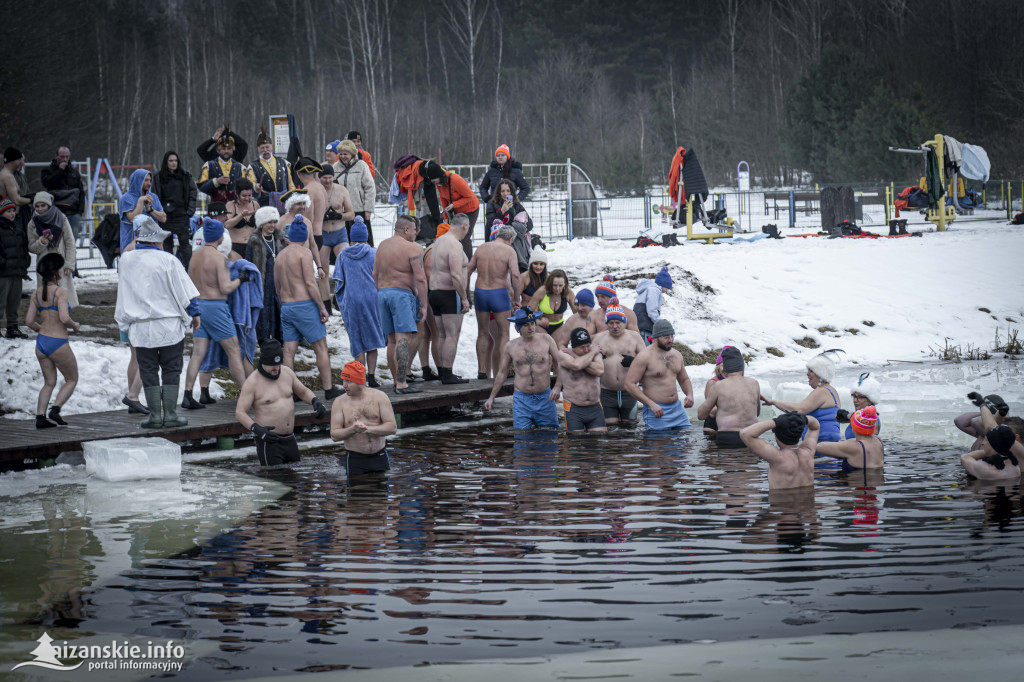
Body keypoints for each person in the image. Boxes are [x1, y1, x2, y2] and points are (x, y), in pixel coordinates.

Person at [114, 215, 201, 428]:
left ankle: (154, 416)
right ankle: (170, 414)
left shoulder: (126, 260)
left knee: (148, 369)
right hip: (168, 322)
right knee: (171, 368)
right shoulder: (169, 260)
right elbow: (185, 290)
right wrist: (195, 313)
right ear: (156, 241)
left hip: (140, 325)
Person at [181, 219, 250, 408]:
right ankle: (246, 394)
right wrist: (241, 280)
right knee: (234, 350)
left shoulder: (194, 256)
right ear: (220, 237)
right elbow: (226, 287)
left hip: (198, 306)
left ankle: (187, 394)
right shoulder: (220, 258)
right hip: (215, 307)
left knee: (198, 353)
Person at [275, 216, 341, 399]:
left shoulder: (280, 256)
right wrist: (322, 307)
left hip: (287, 306)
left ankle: (290, 390)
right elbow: (311, 284)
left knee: (289, 350)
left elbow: (277, 286)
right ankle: (328, 389)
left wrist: (284, 304)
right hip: (304, 305)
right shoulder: (304, 253)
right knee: (320, 346)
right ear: (304, 236)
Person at [235, 339, 327, 467]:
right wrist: (256, 429)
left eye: (279, 365)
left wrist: (315, 400)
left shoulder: (287, 373)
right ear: (264, 362)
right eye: (273, 365)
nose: (277, 369)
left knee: (294, 480)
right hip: (269, 441)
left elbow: (303, 391)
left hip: (290, 439)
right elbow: (240, 412)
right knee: (275, 482)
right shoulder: (252, 382)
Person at [373, 215, 428, 394]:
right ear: (405, 230)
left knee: (391, 340)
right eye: (413, 230)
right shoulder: (412, 248)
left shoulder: (382, 246)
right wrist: (424, 305)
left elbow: (374, 274)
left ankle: (397, 380)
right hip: (401, 295)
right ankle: (402, 383)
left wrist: (381, 291)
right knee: (403, 338)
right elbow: (420, 278)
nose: (415, 234)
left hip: (383, 293)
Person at [483, 307, 560, 429]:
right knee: (521, 439)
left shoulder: (546, 340)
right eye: (525, 325)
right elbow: (502, 373)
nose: (531, 328)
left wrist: (557, 386)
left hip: (545, 397)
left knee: (549, 436)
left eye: (532, 323)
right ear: (517, 328)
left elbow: (559, 363)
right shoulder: (510, 346)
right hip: (522, 400)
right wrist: (491, 397)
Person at [26, 254, 80, 428]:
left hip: (41, 343)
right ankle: (55, 409)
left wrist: (41, 330)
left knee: (49, 382)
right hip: (58, 343)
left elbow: (28, 322)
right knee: (72, 378)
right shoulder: (60, 292)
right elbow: (64, 318)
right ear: (57, 273)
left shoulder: (36, 293)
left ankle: (40, 417)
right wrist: (75, 325)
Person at [334, 217, 385, 388]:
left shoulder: (343, 254)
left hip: (352, 299)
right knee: (371, 339)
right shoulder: (374, 253)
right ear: (366, 236)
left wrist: (341, 300)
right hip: (371, 298)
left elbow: (339, 280)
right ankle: (372, 377)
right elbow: (381, 275)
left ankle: (360, 378)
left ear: (351, 237)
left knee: (357, 340)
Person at [467, 223, 520, 380]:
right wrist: (516, 298)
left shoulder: (482, 248)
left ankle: (482, 370)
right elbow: (516, 275)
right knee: (503, 333)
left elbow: (468, 270)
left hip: (481, 292)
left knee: (482, 332)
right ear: (510, 239)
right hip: (499, 293)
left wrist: (465, 294)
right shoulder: (509, 251)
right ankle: (503, 370)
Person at [330, 360, 398, 475]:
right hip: (355, 459)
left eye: (348, 381)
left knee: (382, 492)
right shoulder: (339, 403)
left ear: (359, 382)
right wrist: (353, 430)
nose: (344, 385)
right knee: (357, 492)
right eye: (343, 380)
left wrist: (368, 429)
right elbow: (334, 435)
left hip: (380, 456)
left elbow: (392, 427)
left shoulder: (380, 397)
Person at [624, 319, 694, 431]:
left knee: (686, 441)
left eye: (672, 336)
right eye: (666, 337)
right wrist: (651, 404)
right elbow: (629, 384)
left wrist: (689, 394)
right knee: (659, 445)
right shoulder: (644, 356)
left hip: (677, 408)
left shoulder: (676, 355)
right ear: (656, 338)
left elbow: (684, 379)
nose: (670, 340)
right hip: (656, 410)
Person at [427, 213, 472, 384]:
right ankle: (447, 373)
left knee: (442, 335)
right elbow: (455, 274)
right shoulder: (454, 245)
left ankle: (444, 371)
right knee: (452, 335)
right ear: (464, 226)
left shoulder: (439, 242)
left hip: (435, 293)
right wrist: (464, 297)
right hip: (449, 294)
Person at [761, 353, 842, 445]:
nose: (807, 374)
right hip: (831, 441)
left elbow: (799, 410)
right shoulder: (832, 391)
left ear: (820, 374)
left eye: (811, 371)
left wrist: (774, 402)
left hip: (820, 442)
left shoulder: (821, 391)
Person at [592, 303, 645, 426]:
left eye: (618, 322)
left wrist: (634, 361)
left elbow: (647, 360)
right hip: (606, 392)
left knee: (629, 427)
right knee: (610, 428)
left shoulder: (635, 337)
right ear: (606, 323)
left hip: (629, 392)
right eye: (611, 323)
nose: (614, 326)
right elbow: (589, 361)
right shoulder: (599, 338)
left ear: (624, 322)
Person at [696, 346, 760, 447]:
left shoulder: (718, 386)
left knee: (725, 461)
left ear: (726, 368)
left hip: (728, 437)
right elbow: (758, 412)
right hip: (751, 436)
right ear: (742, 367)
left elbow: (701, 415)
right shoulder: (754, 383)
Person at [740, 414, 822, 490]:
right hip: (807, 504)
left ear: (777, 436)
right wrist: (801, 418)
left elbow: (745, 433)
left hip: (781, 504)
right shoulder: (808, 451)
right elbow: (815, 426)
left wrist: (775, 422)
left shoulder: (777, 457)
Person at [27, 191, 78, 308]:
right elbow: (31, 247)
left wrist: (70, 265)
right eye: (37, 206)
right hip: (45, 266)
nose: (40, 209)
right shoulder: (32, 223)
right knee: (48, 302)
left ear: (49, 205)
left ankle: (63, 322)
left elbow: (70, 242)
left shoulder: (61, 218)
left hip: (61, 263)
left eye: (43, 205)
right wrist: (41, 242)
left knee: (63, 299)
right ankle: (50, 322)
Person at [551, 327, 606, 433]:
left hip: (595, 407)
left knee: (599, 443)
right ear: (573, 347)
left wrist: (576, 356)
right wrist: (591, 353)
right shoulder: (563, 354)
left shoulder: (595, 351)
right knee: (575, 444)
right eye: (582, 348)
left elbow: (599, 371)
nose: (586, 350)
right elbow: (576, 366)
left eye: (588, 346)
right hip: (574, 408)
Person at [246, 206, 285, 345]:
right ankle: (263, 342)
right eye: (269, 222)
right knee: (263, 313)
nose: (272, 225)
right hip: (262, 284)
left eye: (274, 222)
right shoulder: (254, 241)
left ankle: (278, 341)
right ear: (262, 223)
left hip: (278, 282)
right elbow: (249, 264)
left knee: (278, 311)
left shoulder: (279, 239)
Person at [151, 150, 198, 269]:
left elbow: (193, 192)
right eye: (171, 161)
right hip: (165, 215)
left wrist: (190, 211)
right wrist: (158, 212)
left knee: (184, 244)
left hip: (182, 214)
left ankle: (190, 271)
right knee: (167, 244)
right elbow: (155, 196)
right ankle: (169, 270)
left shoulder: (185, 175)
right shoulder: (158, 177)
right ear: (166, 162)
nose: (174, 163)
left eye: (176, 160)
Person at [334, 139, 376, 246]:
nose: (343, 156)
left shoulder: (361, 166)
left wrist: (368, 209)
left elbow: (370, 188)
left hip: (358, 210)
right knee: (344, 243)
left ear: (352, 154)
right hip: (341, 212)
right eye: (341, 154)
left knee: (362, 242)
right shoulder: (335, 167)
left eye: (346, 154)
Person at [40, 146, 86, 244]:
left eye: (67, 157)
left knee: (72, 242)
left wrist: (80, 211)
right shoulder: (47, 170)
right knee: (57, 241)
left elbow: (81, 192)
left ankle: (71, 259)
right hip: (56, 212)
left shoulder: (74, 173)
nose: (65, 159)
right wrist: (60, 171)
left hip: (73, 213)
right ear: (56, 156)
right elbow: (46, 183)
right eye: (62, 157)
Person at [433, 166, 479, 259]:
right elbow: (443, 199)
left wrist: (454, 204)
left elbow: (469, 196)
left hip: (470, 210)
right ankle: (458, 259)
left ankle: (468, 263)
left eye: (433, 179)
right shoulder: (439, 183)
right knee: (455, 236)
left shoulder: (456, 180)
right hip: (457, 211)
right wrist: (445, 216)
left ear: (439, 176)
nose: (433, 182)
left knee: (464, 236)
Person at [816, 406, 884, 469]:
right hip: (874, 479)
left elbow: (819, 447)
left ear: (854, 427)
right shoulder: (878, 441)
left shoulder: (853, 446)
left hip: (855, 481)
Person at [0, 199, 30, 338]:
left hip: (17, 272)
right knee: (1, 302)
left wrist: (25, 261)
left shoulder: (18, 229)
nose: (12, 214)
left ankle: (12, 327)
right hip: (3, 273)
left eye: (13, 211)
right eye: (8, 211)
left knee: (14, 301)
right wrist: (3, 263)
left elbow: (24, 248)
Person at [118, 168, 166, 255]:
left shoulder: (153, 197)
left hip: (153, 245)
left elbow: (163, 218)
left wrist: (149, 209)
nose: (149, 183)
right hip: (132, 245)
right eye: (146, 180)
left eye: (150, 180)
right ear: (137, 180)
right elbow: (133, 219)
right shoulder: (126, 198)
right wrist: (140, 201)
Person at [197, 128, 250, 204]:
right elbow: (201, 186)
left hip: (236, 207)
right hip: (216, 207)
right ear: (218, 150)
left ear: (233, 150)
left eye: (229, 149)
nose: (226, 151)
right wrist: (216, 182)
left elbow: (246, 188)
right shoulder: (209, 165)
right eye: (223, 149)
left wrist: (230, 133)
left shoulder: (240, 167)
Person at [319, 164, 355, 273]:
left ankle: (345, 289)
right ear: (319, 178)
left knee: (345, 265)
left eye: (330, 177)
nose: (328, 181)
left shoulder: (342, 190)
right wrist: (321, 217)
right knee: (323, 271)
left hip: (340, 234)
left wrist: (340, 216)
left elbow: (351, 214)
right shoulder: (316, 192)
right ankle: (324, 290)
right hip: (322, 234)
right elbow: (309, 217)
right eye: (324, 178)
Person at [249, 125, 294, 207]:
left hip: (284, 201)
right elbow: (251, 183)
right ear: (258, 149)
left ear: (271, 147)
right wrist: (256, 187)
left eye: (267, 147)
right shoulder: (253, 166)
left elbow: (290, 184)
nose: (265, 150)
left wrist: (293, 198)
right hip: (264, 203)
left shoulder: (283, 162)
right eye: (262, 148)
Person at [529, 269, 576, 336]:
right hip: (541, 326)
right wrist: (538, 322)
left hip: (559, 326)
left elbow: (577, 312)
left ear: (565, 284)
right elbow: (528, 311)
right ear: (550, 283)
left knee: (558, 346)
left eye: (560, 286)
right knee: (545, 342)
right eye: (555, 285)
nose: (557, 289)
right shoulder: (542, 291)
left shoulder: (567, 292)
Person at [634, 266, 673, 344]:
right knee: (646, 352)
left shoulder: (648, 289)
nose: (667, 290)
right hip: (645, 327)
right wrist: (660, 324)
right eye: (667, 288)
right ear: (664, 284)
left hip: (639, 325)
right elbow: (651, 310)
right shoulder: (654, 290)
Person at [837, 372, 881, 439]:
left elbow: (869, 443)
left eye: (860, 397)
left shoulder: (872, 420)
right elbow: (837, 418)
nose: (855, 400)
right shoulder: (858, 417)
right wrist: (844, 415)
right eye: (854, 396)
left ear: (870, 400)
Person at [224, 178, 260, 259]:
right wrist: (241, 215)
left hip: (252, 246)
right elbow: (226, 225)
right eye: (244, 196)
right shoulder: (231, 205)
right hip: (235, 247)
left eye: (250, 195)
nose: (247, 198)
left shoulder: (255, 205)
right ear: (237, 194)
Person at [0, 148, 32, 230]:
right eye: (19, 159)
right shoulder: (7, 176)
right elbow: (16, 200)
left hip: (11, 218)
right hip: (8, 220)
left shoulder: (7, 174)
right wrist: (33, 200)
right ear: (14, 160)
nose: (21, 162)